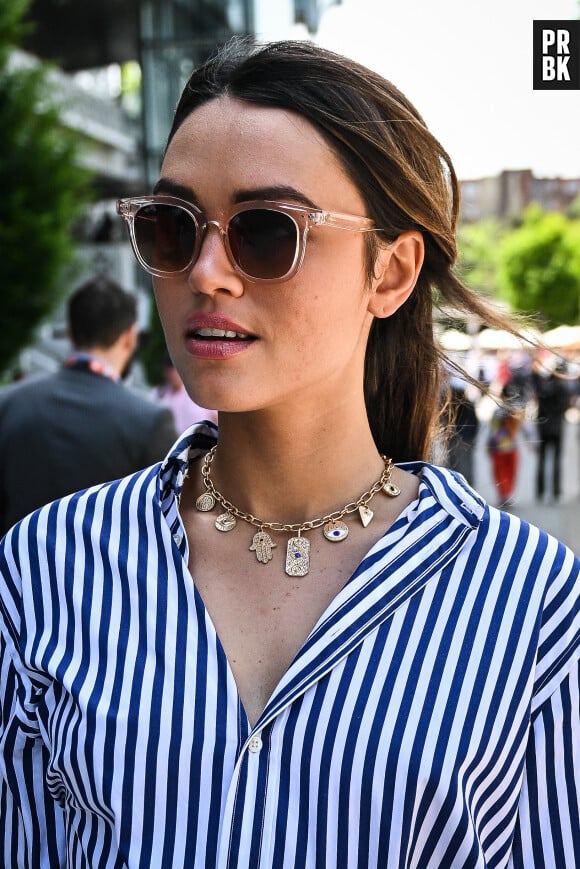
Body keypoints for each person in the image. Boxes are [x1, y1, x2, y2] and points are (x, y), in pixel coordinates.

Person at [1, 40, 578, 868]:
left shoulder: (532, 606)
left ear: (391, 271)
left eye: (266, 233)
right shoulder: (45, 570)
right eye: (173, 226)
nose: (207, 272)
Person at [0, 276, 177, 535]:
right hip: (108, 574)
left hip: (15, 571)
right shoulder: (148, 421)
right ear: (129, 337)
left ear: (71, 333)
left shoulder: (9, 405)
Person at [531, 356, 570, 501]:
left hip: (543, 427)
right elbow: (565, 407)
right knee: (556, 460)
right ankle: (556, 491)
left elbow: (535, 384)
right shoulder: (562, 389)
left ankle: (540, 491)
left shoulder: (543, 386)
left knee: (541, 459)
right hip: (557, 427)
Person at [154, 353, 218, 432]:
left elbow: (217, 420)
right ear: (165, 372)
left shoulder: (200, 393)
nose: (173, 374)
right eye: (170, 371)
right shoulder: (158, 394)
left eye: (175, 370)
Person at [486, 383, 523, 507]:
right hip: (513, 446)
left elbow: (492, 430)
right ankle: (507, 494)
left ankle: (504, 494)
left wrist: (488, 445)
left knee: (500, 472)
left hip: (498, 447)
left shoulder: (497, 412)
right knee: (511, 472)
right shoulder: (516, 412)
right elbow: (526, 429)